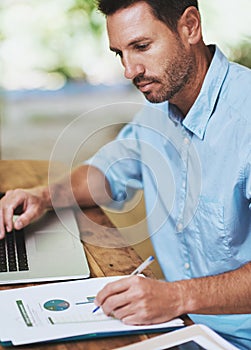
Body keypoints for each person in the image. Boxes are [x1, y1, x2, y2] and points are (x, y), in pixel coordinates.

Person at [1, 0, 251, 348]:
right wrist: (43, 196)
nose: (129, 70)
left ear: (190, 27)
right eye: (119, 53)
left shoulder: (246, 120)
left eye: (141, 47)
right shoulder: (160, 110)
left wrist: (176, 297)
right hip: (180, 326)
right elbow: (106, 172)